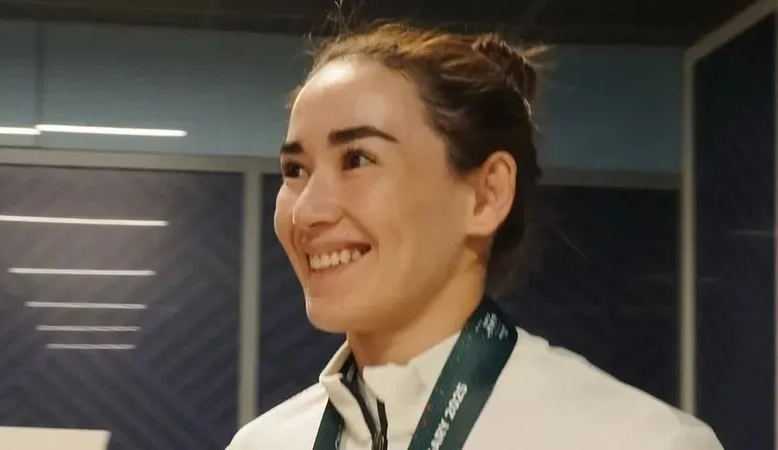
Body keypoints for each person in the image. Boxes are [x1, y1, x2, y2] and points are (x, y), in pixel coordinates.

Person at [227, 22, 724, 450]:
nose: (307, 210)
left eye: (358, 160)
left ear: (487, 195)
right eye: (295, 170)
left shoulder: (639, 440)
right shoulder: (263, 443)